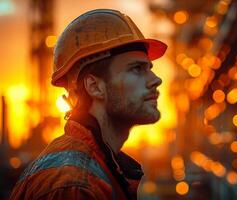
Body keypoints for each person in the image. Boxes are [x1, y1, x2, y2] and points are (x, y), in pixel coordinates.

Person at [10, 9, 167, 200]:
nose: (156, 80)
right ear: (95, 86)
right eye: (136, 69)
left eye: (150, 68)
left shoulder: (98, 168)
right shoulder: (73, 186)